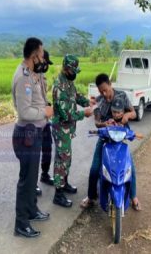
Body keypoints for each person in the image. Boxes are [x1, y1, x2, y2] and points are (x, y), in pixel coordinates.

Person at [80, 73, 141, 211]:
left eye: (105, 90)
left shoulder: (122, 96)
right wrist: (104, 124)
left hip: (121, 139)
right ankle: (91, 197)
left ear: (110, 84)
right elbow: (96, 123)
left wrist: (126, 115)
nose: (104, 93)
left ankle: (133, 197)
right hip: (105, 139)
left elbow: (134, 113)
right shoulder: (99, 100)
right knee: (95, 168)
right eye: (101, 91)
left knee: (129, 168)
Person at [12, 37, 53, 238]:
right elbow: (25, 111)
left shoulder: (32, 74)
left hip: (34, 133)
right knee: (26, 180)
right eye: (42, 54)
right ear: (35, 55)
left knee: (31, 178)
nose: (43, 58)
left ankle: (32, 210)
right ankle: (21, 223)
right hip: (26, 134)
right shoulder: (23, 78)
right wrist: (46, 112)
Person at [52, 54, 93, 208]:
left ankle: (65, 183)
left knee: (67, 158)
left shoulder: (68, 82)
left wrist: (88, 102)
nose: (75, 73)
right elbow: (67, 114)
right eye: (73, 70)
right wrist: (85, 113)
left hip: (67, 129)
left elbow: (75, 96)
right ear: (67, 69)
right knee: (62, 160)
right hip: (61, 128)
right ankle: (58, 193)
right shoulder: (59, 87)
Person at [35, 50, 54, 196]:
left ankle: (45, 174)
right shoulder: (28, 78)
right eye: (45, 63)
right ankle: (32, 183)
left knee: (47, 148)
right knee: (33, 153)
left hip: (44, 121)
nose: (46, 66)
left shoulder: (42, 77)